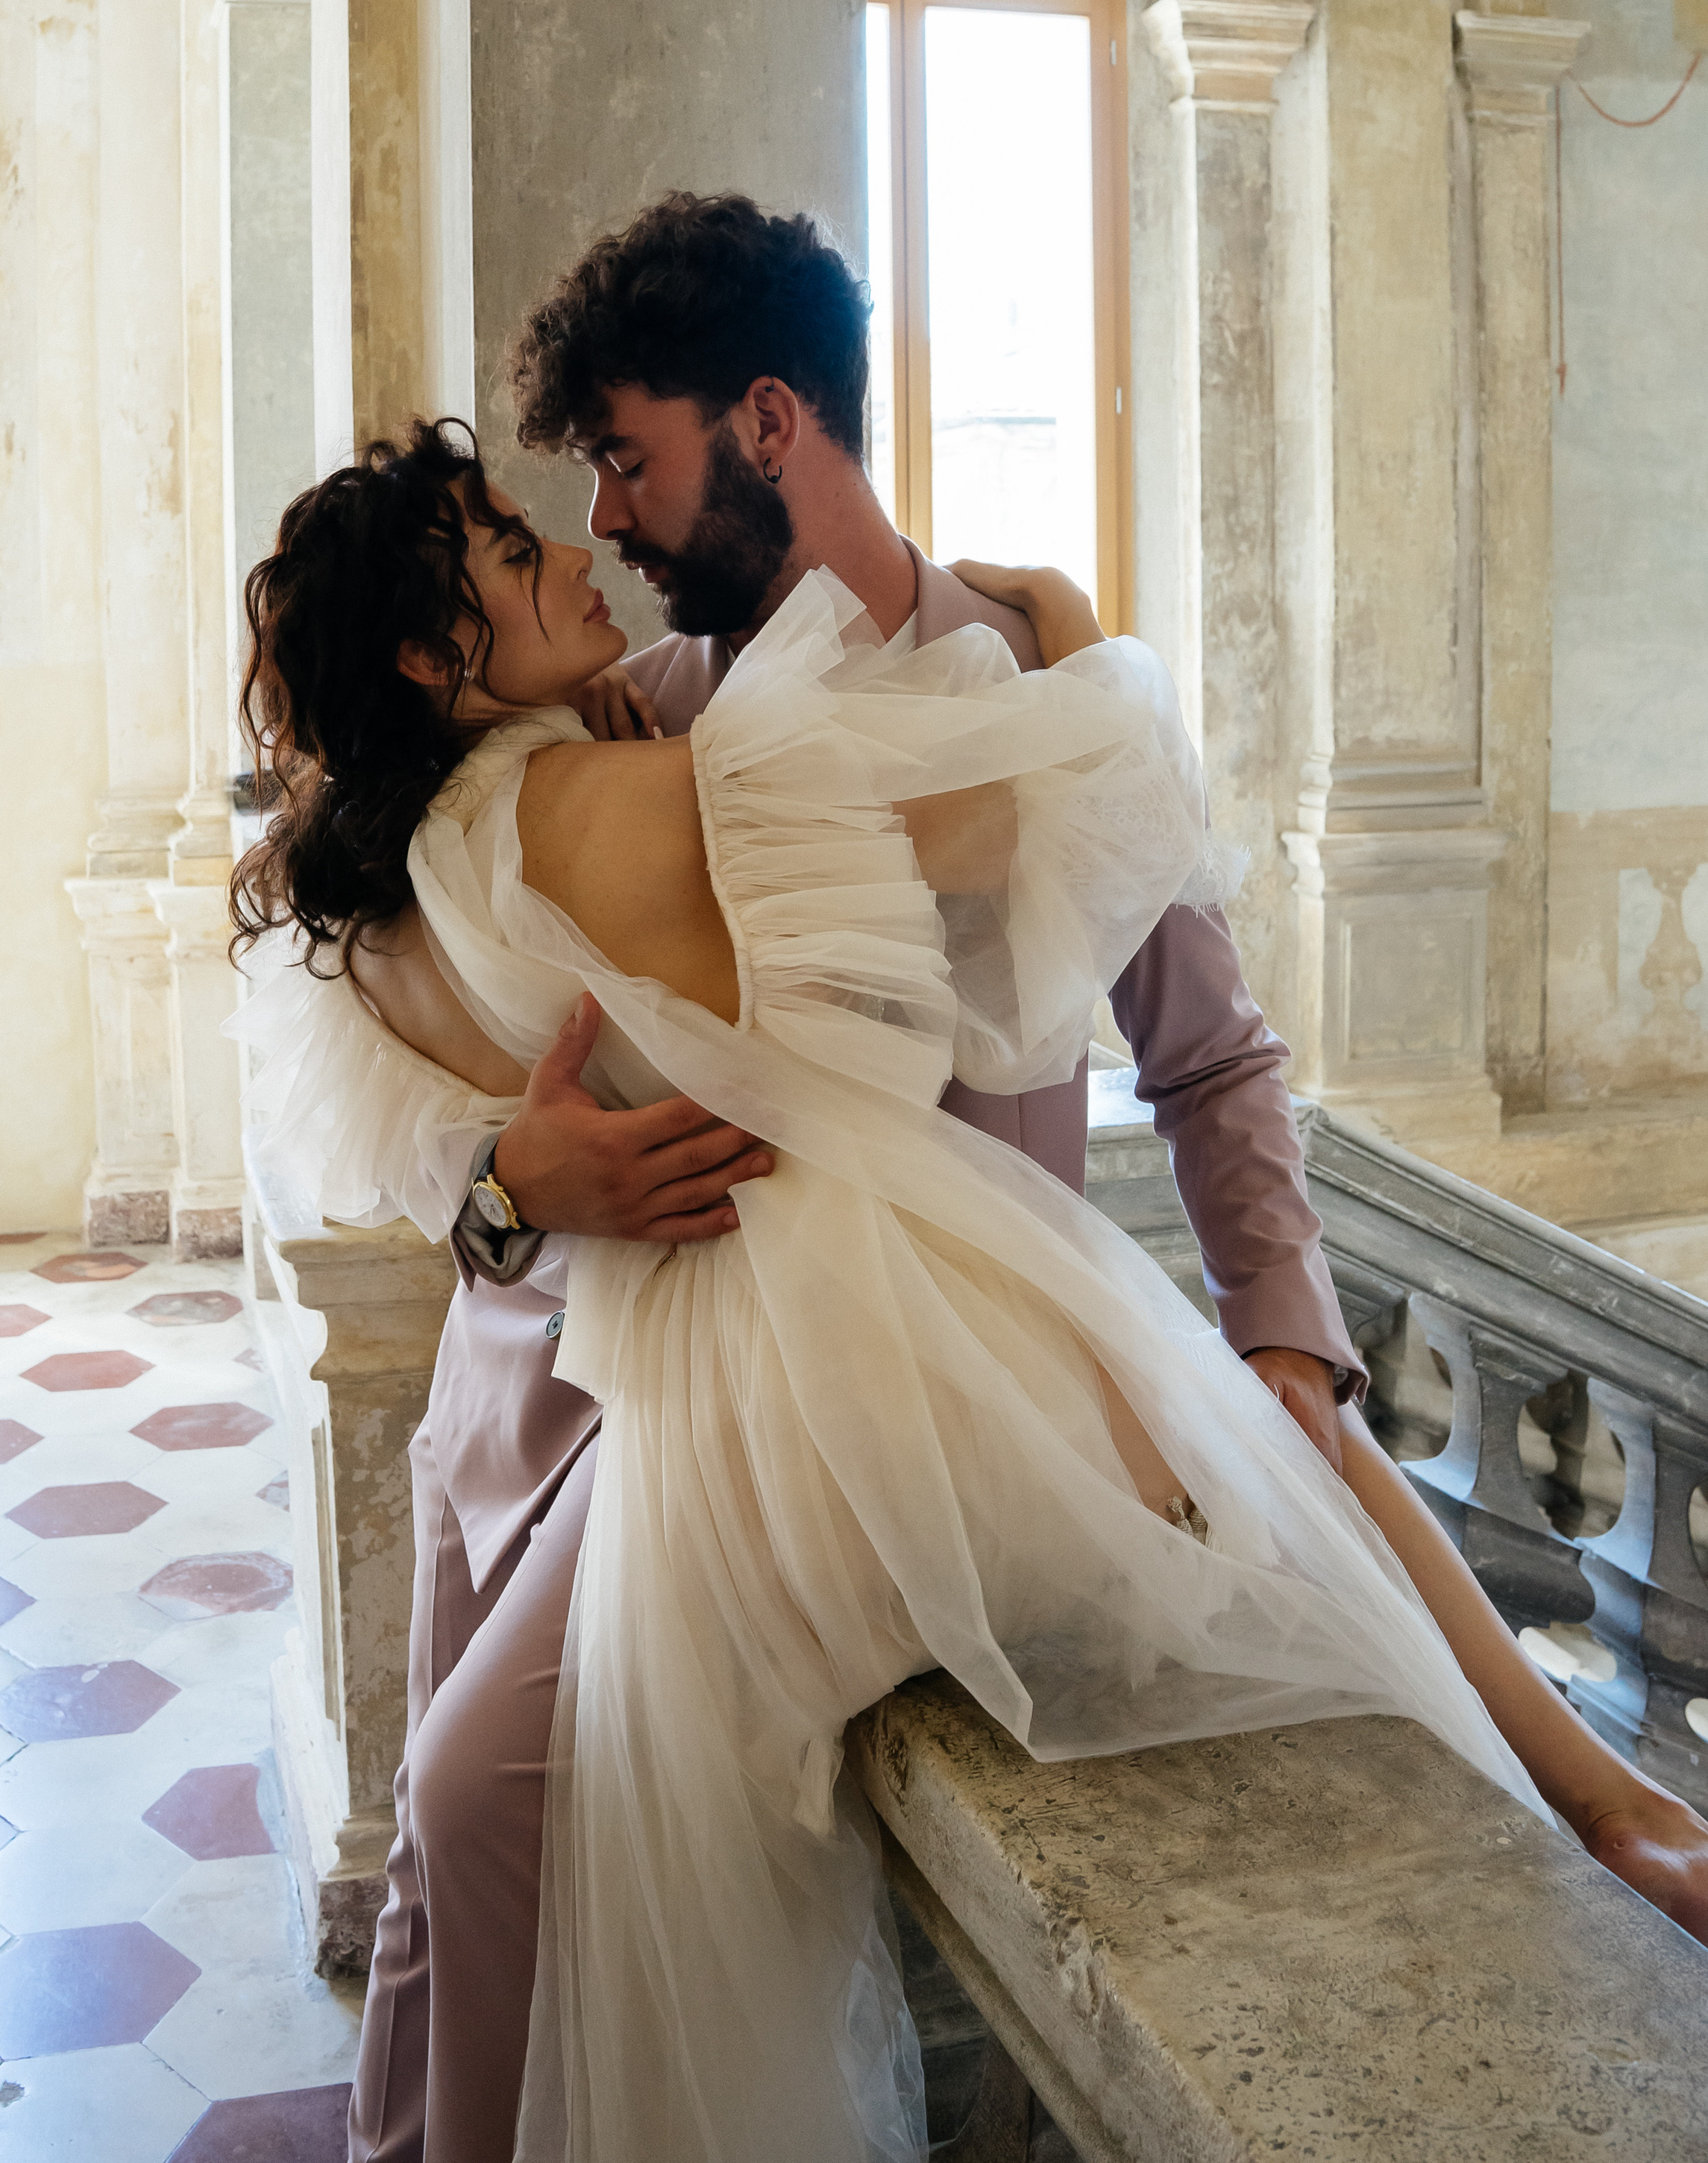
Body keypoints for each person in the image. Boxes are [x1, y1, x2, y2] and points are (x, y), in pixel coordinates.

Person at [229, 206, 1707, 2163]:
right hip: (569, 1411)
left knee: (520, 1831)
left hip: (915, 1380)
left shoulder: (1007, 675)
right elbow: (415, 977)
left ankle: (1610, 1813)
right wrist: (504, 1177)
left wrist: (1283, 1336)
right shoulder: (643, 719)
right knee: (451, 1866)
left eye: (626, 460)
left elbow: (1213, 1057)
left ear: (768, 421)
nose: (605, 524)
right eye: (571, 491)